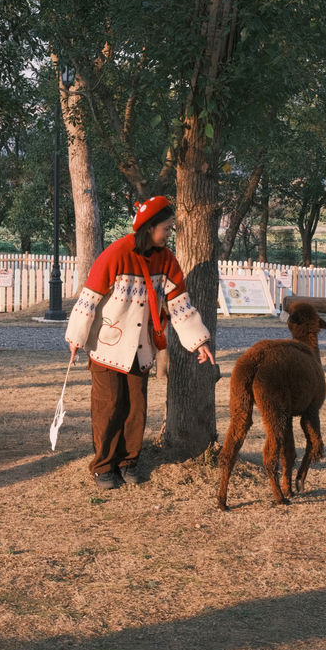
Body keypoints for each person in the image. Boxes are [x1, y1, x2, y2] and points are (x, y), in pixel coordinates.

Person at [65, 196, 215, 490]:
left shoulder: (167, 259)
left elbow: (179, 304)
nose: (168, 233)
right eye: (166, 228)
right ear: (149, 227)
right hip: (107, 347)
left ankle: (128, 461)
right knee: (109, 407)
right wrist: (76, 338)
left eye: (171, 228)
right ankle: (103, 466)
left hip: (141, 349)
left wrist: (199, 342)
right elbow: (89, 299)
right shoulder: (115, 253)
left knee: (136, 408)